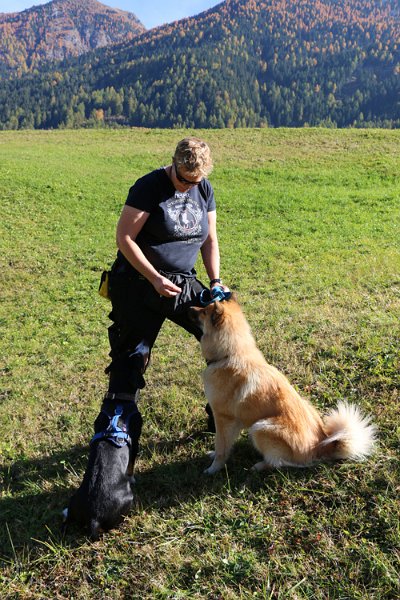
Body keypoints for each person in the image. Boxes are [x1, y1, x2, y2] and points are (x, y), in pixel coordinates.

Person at [102, 137, 229, 436]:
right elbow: (125, 239)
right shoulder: (148, 187)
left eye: (194, 182)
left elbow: (210, 240)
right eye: (183, 181)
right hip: (138, 282)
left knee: (223, 337)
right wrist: (153, 278)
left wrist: (215, 281)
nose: (187, 187)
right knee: (131, 358)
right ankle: (118, 431)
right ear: (173, 164)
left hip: (181, 282)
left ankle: (221, 418)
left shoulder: (204, 188)